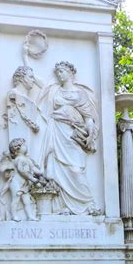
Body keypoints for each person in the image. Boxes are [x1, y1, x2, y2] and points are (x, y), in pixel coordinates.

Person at [38, 61, 100, 215]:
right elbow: (40, 85)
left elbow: (88, 118)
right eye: (57, 72)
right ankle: (62, 207)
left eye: (62, 71)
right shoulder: (55, 91)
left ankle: (88, 203)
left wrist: (90, 134)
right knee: (55, 170)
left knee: (75, 169)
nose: (59, 74)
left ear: (71, 73)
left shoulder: (80, 93)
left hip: (73, 135)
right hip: (57, 132)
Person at [0, 138, 47, 221]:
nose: (26, 146)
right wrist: (32, 179)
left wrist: (43, 166)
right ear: (17, 149)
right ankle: (14, 216)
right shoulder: (19, 159)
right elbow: (22, 171)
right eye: (24, 145)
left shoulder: (27, 160)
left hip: (24, 184)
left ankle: (30, 216)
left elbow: (36, 171)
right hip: (15, 182)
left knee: (27, 201)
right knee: (16, 199)